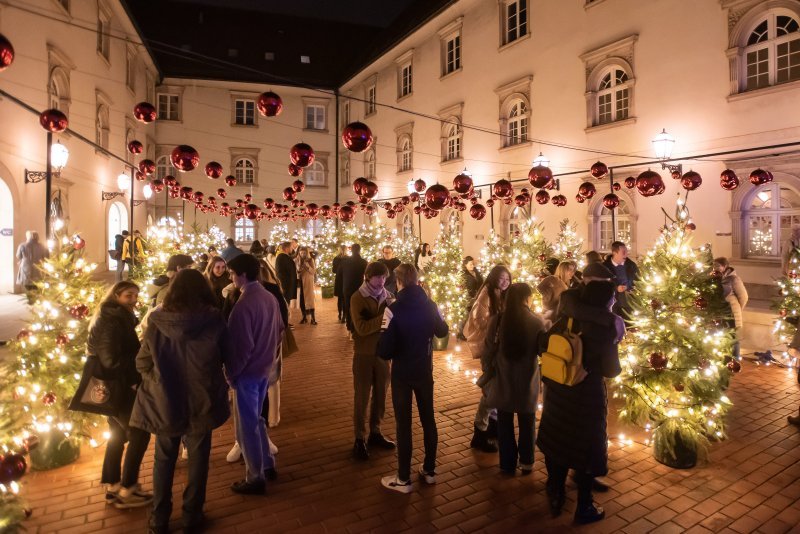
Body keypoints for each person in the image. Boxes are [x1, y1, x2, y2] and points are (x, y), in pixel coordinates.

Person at [130, 269, 230, 533]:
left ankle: (158, 519)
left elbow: (141, 362)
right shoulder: (214, 320)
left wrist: (157, 380)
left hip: (165, 400)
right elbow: (226, 356)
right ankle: (191, 515)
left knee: (164, 459)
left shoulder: (156, 322)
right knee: (198, 458)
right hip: (202, 398)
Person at [537, 281, 624, 524]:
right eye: (611, 299)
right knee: (585, 448)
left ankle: (556, 491)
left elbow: (543, 343)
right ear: (603, 301)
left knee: (558, 441)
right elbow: (611, 369)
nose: (614, 302)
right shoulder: (604, 328)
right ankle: (584, 505)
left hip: (557, 390)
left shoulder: (566, 317)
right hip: (586, 397)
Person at [377, 264, 448, 493]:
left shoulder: (393, 309)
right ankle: (429, 470)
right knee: (428, 420)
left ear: (398, 282)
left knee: (404, 424)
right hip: (424, 370)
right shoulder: (430, 305)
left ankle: (404, 478)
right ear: (416, 280)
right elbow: (443, 331)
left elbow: (385, 350)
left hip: (402, 374)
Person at [86, 281, 152, 509]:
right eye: (128, 295)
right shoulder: (112, 321)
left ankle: (113, 485)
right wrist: (135, 371)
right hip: (118, 387)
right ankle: (128, 489)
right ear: (116, 295)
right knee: (139, 433)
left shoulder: (114, 316)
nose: (133, 299)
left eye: (135, 295)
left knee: (116, 434)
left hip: (113, 387)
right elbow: (111, 360)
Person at [225, 253, 284, 495]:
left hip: (248, 373)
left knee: (246, 426)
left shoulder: (243, 305)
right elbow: (279, 330)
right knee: (257, 419)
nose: (231, 278)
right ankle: (268, 464)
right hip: (264, 369)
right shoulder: (269, 297)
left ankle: (254, 476)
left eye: (232, 274)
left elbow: (241, 348)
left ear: (242, 275)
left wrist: (231, 374)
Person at [482, 283, 545, 474]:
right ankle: (527, 461)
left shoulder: (498, 320)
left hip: (503, 377)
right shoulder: (536, 321)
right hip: (527, 378)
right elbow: (541, 350)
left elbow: (487, 349)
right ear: (527, 298)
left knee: (504, 421)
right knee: (527, 422)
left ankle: (507, 463)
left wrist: (487, 369)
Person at [462, 265, 512, 453]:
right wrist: (498, 320)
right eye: (501, 278)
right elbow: (478, 319)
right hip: (488, 348)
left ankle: (492, 429)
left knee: (495, 389)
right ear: (493, 278)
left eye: (507, 278)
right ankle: (480, 432)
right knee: (490, 391)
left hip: (498, 347)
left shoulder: (502, 293)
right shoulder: (486, 294)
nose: (505, 281)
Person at [350, 262, 396, 460]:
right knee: (362, 397)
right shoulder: (358, 298)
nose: (382, 281)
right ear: (368, 277)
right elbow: (361, 328)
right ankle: (359, 438)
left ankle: (375, 431)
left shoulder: (388, 297)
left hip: (383, 353)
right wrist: (384, 317)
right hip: (364, 353)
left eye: (384, 278)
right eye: (378, 277)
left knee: (381, 394)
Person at [714, 257, 748, 359]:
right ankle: (724, 358)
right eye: (714, 265)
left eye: (717, 266)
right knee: (722, 335)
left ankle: (735, 359)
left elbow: (743, 297)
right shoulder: (715, 279)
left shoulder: (734, 279)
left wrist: (737, 309)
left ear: (724, 266)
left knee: (733, 337)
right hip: (720, 312)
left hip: (731, 313)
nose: (715, 268)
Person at [602, 241, 639, 320]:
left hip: (630, 303)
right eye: (623, 252)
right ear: (615, 253)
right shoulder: (604, 267)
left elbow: (638, 280)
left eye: (626, 252)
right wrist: (616, 288)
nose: (626, 255)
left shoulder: (631, 266)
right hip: (613, 304)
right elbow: (602, 284)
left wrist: (629, 287)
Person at [537, 261, 577, 325]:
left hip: (557, 316)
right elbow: (540, 287)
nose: (572, 272)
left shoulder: (566, 286)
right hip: (547, 313)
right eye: (570, 270)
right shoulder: (553, 278)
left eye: (573, 270)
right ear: (563, 270)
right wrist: (548, 296)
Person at [341, 243, 368, 332]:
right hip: (358, 288)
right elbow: (367, 276)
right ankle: (356, 327)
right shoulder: (363, 262)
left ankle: (349, 326)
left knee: (348, 307)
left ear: (351, 250)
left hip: (346, 287)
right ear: (360, 250)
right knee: (357, 308)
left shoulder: (345, 261)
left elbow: (339, 275)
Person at [275, 242, 298, 312]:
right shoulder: (281, 257)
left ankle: (286, 320)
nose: (292, 249)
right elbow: (280, 272)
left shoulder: (285, 256)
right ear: (287, 248)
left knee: (286, 303)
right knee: (284, 303)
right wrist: (284, 284)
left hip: (288, 284)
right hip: (286, 285)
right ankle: (284, 321)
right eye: (291, 247)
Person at [297, 246, 317, 325]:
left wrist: (307, 265)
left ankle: (313, 318)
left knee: (310, 300)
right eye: (301, 253)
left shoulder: (310, 260)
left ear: (307, 253)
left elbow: (313, 272)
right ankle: (304, 317)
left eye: (304, 253)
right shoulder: (297, 260)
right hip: (300, 282)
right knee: (302, 300)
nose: (302, 254)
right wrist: (299, 271)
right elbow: (297, 271)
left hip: (308, 282)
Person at [332, 245, 348, 323]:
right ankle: (343, 315)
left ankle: (341, 314)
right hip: (345, 279)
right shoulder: (348, 259)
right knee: (344, 298)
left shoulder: (336, 258)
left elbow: (334, 270)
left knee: (340, 298)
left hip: (340, 279)